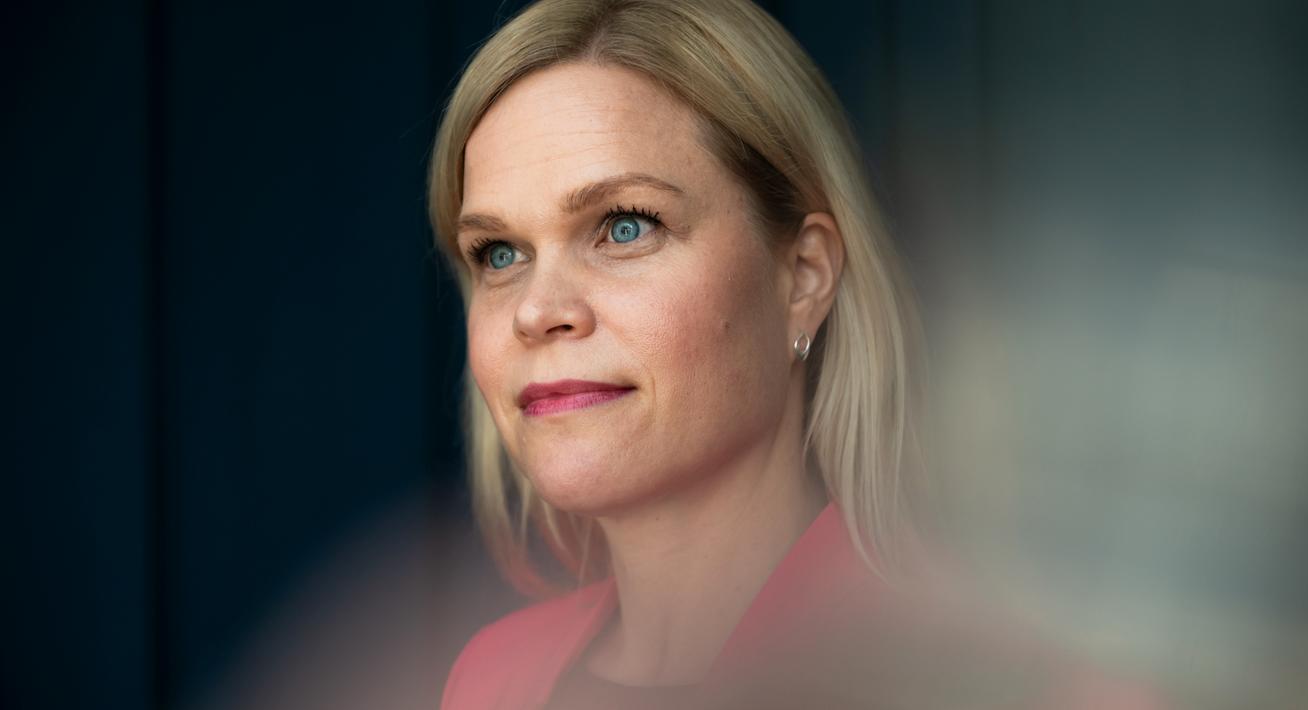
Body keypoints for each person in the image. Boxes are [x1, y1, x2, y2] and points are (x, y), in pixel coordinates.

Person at [427, 1, 1159, 707]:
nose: (536, 311)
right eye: (499, 253)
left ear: (804, 277)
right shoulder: (486, 680)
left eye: (625, 226)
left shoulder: (1025, 690)